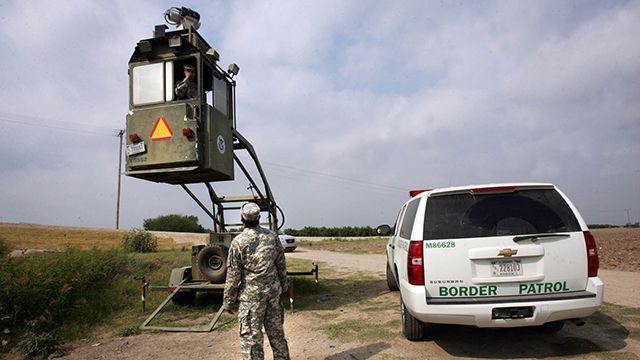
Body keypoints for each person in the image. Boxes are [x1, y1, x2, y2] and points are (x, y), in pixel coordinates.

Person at [222, 202, 291, 360]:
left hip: (251, 300)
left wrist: (228, 303)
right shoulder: (272, 237)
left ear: (242, 219)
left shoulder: (238, 242)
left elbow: (233, 276)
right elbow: (281, 264)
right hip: (273, 296)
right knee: (277, 337)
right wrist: (283, 286)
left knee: (252, 341)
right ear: (259, 218)